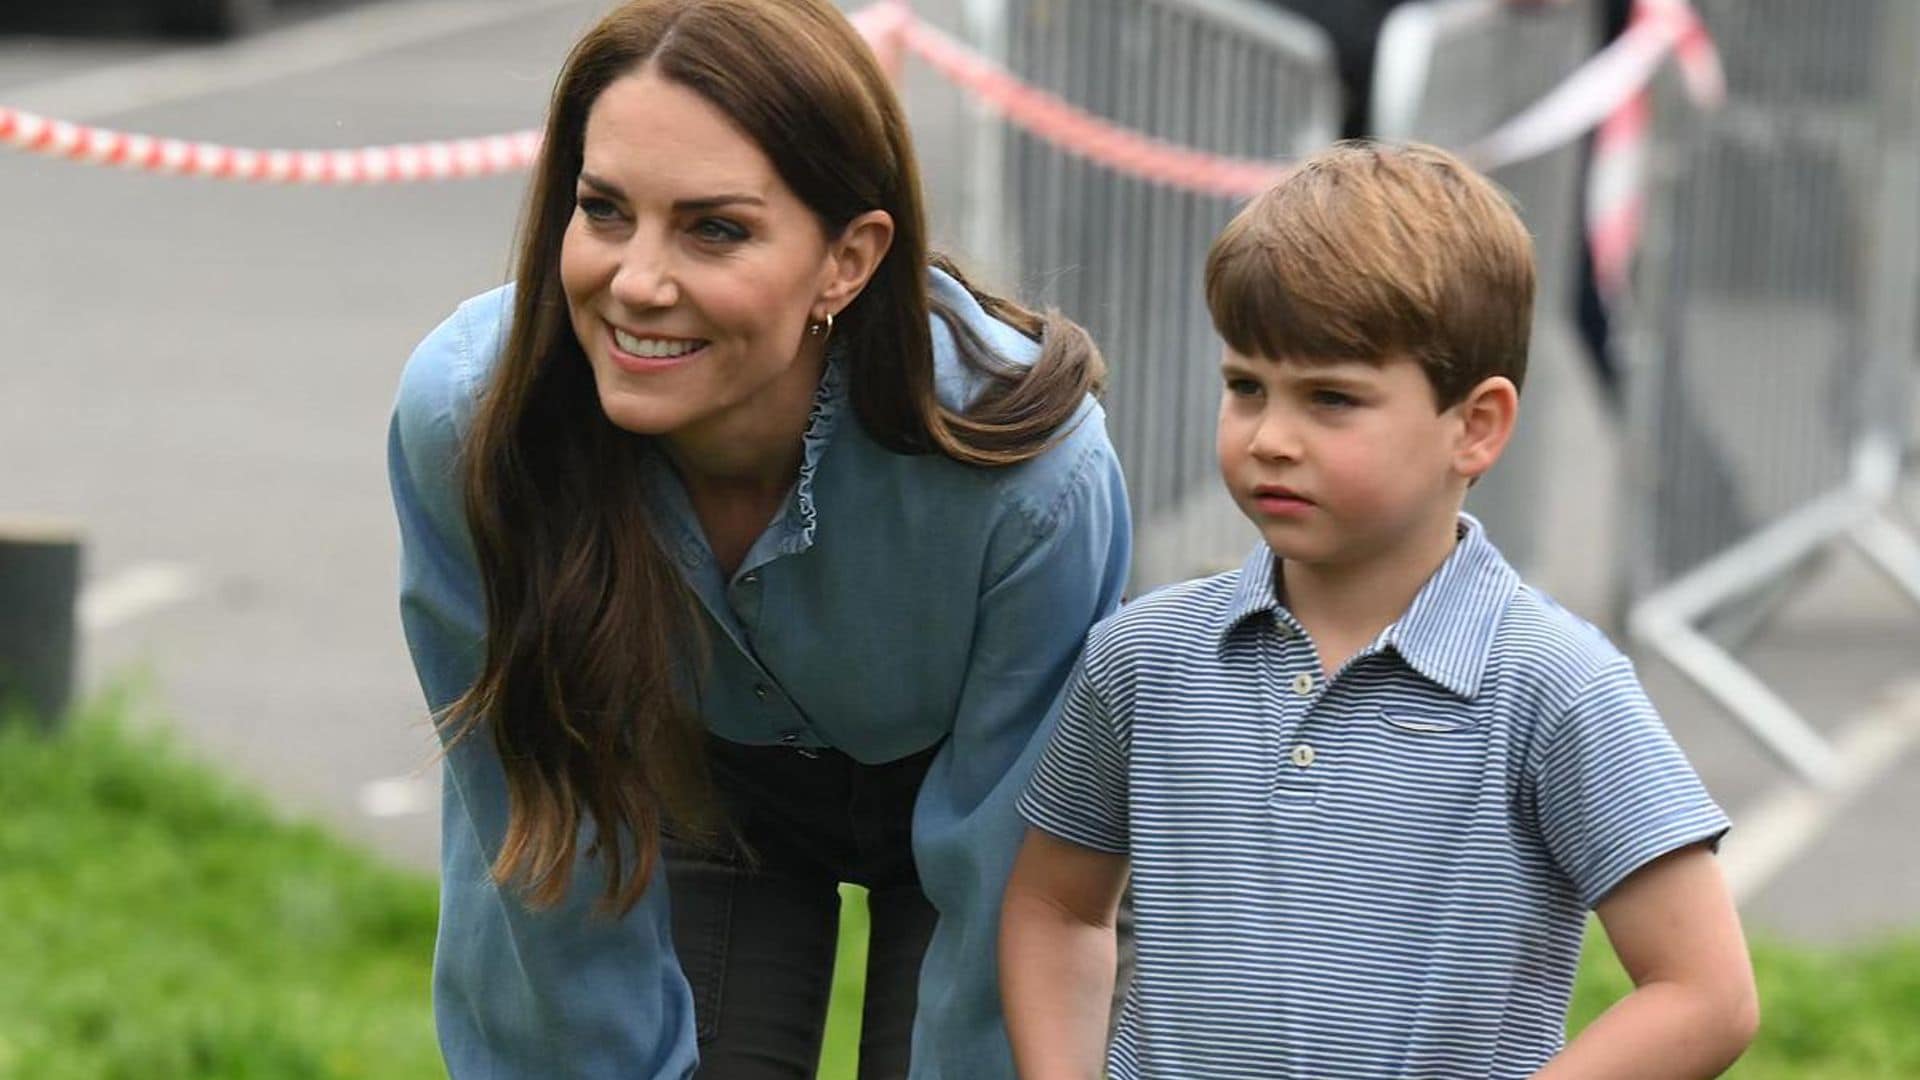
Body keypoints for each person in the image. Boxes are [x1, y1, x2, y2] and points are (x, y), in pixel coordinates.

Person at [386, 1, 1131, 1076]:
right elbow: (545, 859)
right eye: (604, 210)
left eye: (715, 228)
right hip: (689, 789)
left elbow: (1018, 897)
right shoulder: (472, 421)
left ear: (847, 259)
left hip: (978, 812)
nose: (638, 281)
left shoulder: (1030, 477)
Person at [999, 142, 1758, 1079]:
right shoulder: (1142, 658)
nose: (1271, 437)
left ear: (1475, 426)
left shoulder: (1554, 685)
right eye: (1245, 387)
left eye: (1332, 399)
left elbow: (1705, 992)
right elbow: (1056, 907)